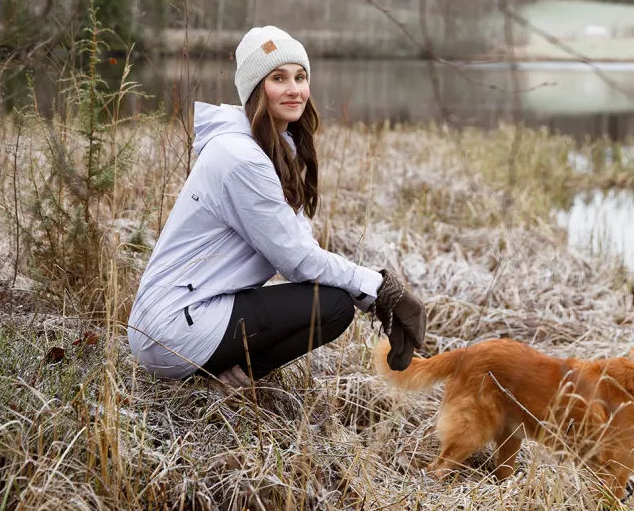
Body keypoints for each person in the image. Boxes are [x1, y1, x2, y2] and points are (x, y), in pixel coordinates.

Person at [126, 26, 426, 388]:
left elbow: (301, 249)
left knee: (335, 298)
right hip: (174, 330)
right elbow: (297, 261)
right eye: (278, 78)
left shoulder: (269, 150)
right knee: (331, 306)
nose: (294, 89)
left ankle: (223, 375)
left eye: (300, 77)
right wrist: (379, 288)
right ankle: (226, 382)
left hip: (178, 321)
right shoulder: (242, 158)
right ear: (256, 89)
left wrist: (370, 295)